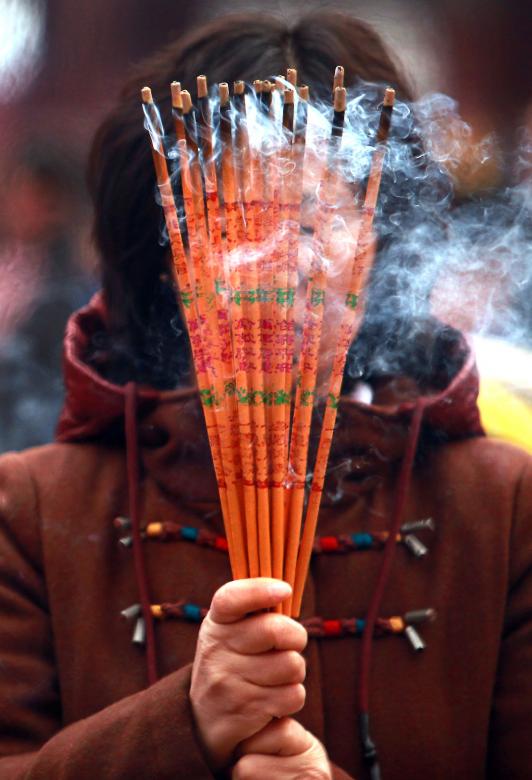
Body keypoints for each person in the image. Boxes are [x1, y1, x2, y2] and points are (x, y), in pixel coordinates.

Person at [0, 12, 531, 780]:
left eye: (318, 219)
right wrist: (182, 729)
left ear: (377, 241)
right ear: (170, 252)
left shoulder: (502, 509)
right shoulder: (35, 512)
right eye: (238, 220)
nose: (283, 262)